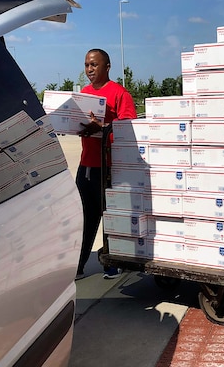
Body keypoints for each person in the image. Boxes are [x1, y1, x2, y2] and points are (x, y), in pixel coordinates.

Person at [75, 49, 137, 280]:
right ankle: (78, 265)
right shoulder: (84, 93)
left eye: (94, 65)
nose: (89, 70)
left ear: (107, 66)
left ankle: (112, 263)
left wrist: (102, 128)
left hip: (110, 168)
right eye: (86, 65)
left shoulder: (119, 93)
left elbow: (129, 126)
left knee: (111, 217)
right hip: (86, 166)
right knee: (84, 218)